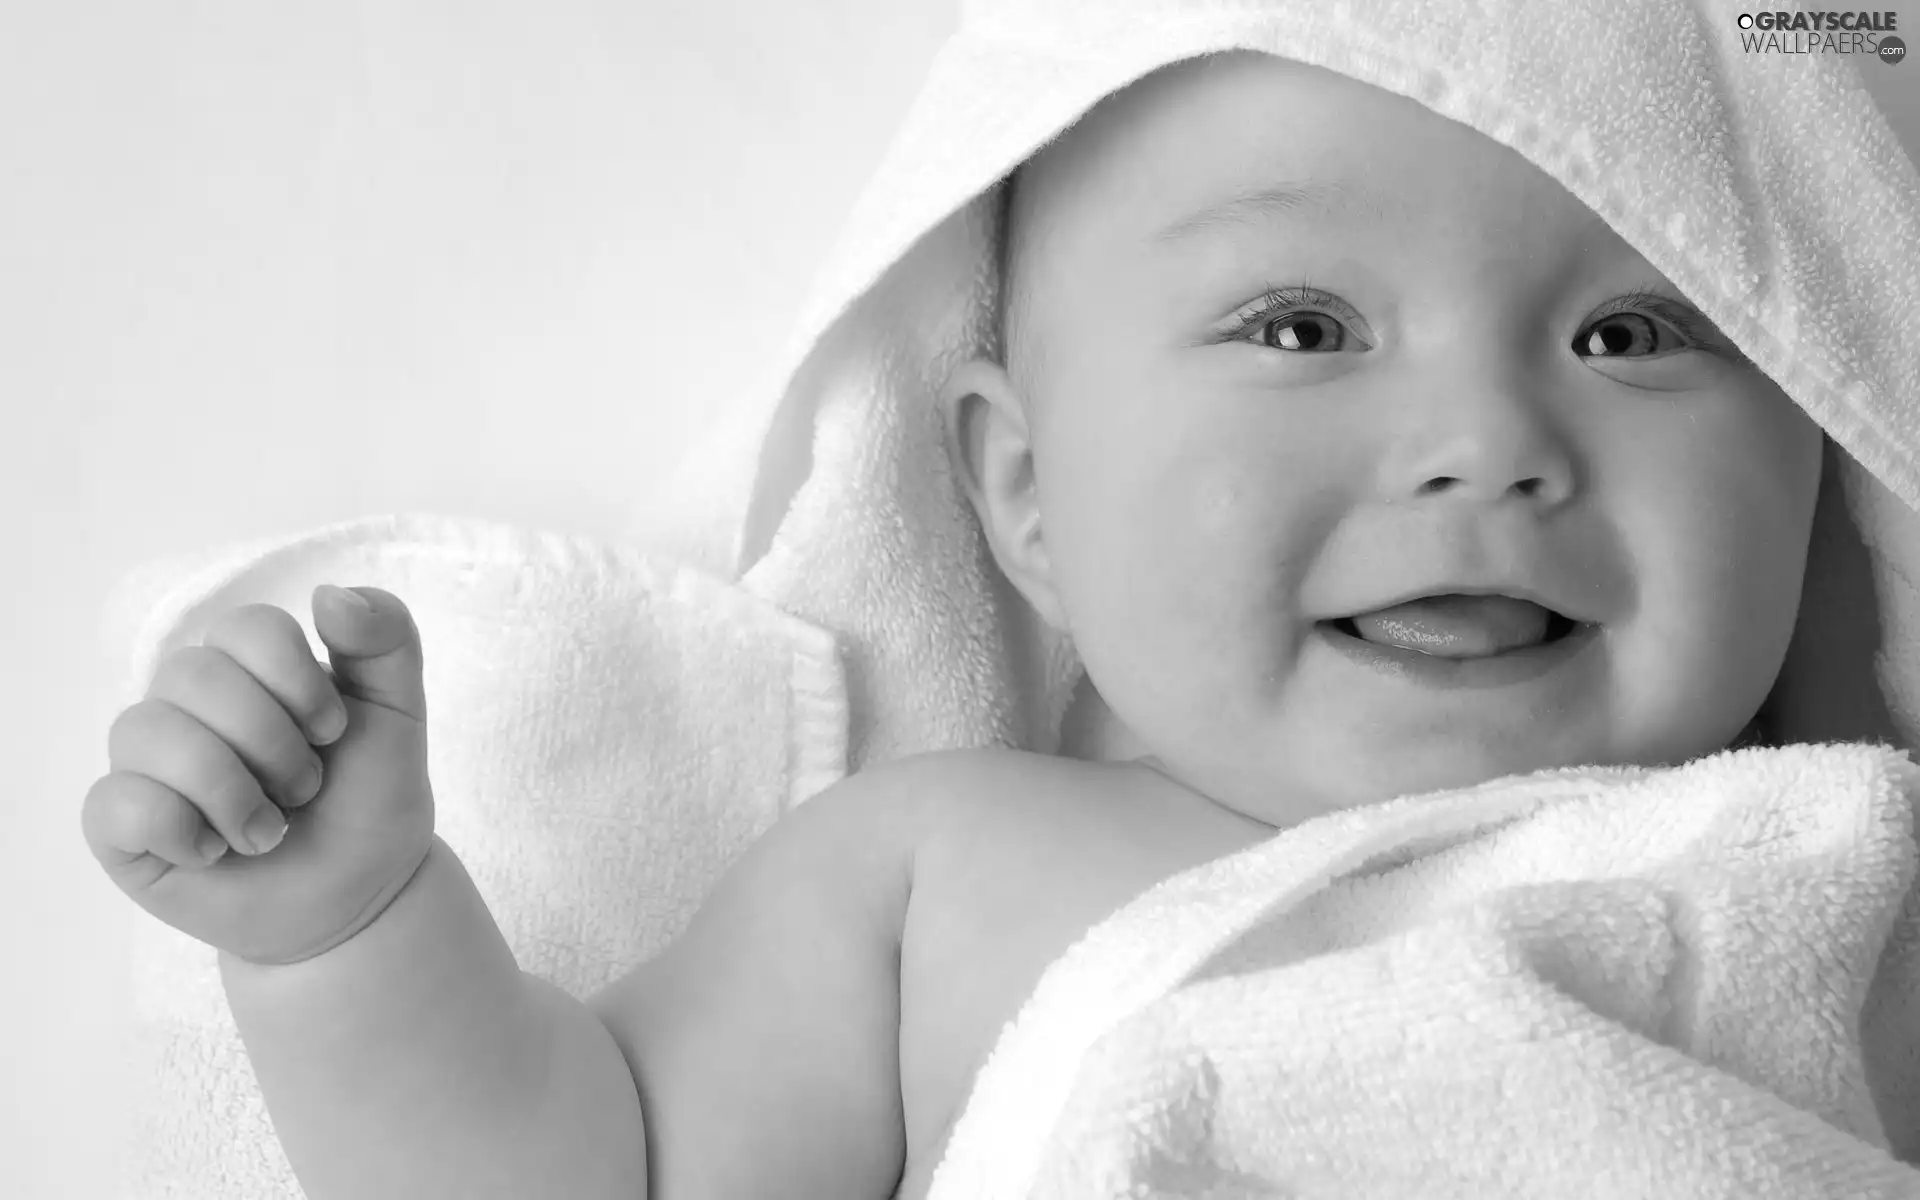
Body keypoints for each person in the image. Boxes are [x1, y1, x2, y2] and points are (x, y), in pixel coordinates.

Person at [80, 51, 1834, 1199]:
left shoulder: (1834, 863)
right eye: (1303, 327)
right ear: (1027, 493)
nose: (1488, 448)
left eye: (1634, 334)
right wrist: (351, 933)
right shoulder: (943, 876)